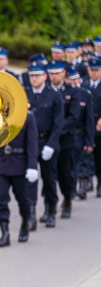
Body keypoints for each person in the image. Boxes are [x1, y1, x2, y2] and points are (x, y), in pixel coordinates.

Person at [0, 111, 39, 246]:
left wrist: (32, 166)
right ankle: (4, 232)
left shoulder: (27, 116)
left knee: (23, 199)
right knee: (1, 200)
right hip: (0, 163)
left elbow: (32, 143)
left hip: (20, 164)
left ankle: (25, 223)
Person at [25, 64, 64, 228]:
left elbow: (58, 123)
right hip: (30, 144)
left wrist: (51, 145)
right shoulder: (24, 94)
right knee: (30, 179)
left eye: (38, 75)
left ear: (44, 77)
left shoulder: (53, 95)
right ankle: (31, 214)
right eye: (32, 75)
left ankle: (51, 210)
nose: (34, 78)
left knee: (49, 179)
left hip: (47, 141)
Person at [47, 62, 81, 219]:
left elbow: (74, 117)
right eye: (51, 73)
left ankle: (67, 199)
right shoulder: (45, 91)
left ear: (63, 73)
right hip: (47, 141)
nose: (54, 76)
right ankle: (50, 206)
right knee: (48, 175)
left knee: (65, 173)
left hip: (65, 140)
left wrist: (55, 129)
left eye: (57, 73)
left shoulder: (72, 92)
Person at [66, 65, 95, 199]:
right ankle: (70, 191)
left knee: (81, 162)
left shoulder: (85, 94)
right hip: (66, 134)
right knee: (69, 165)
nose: (75, 83)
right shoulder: (63, 94)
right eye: (72, 80)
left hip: (80, 133)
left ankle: (82, 187)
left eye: (77, 79)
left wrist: (90, 141)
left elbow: (89, 120)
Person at [83, 58, 101, 196]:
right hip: (87, 124)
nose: (94, 73)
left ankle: (100, 183)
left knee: (99, 156)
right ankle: (86, 181)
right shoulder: (84, 84)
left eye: (96, 70)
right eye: (91, 70)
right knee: (86, 155)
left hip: (99, 123)